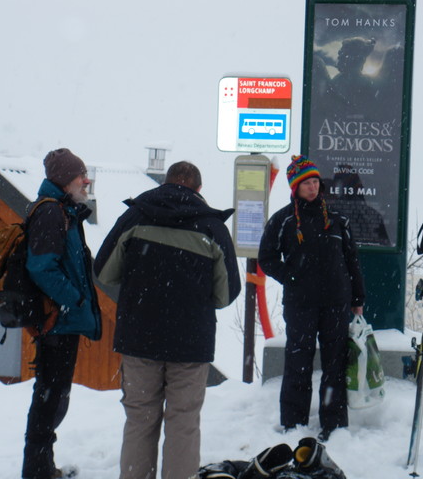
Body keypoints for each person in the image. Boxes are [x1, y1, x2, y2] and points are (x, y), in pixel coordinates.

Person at [94, 161, 241, 479]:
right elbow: (227, 293)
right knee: (183, 422)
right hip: (190, 343)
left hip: (138, 337)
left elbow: (104, 270)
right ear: (199, 190)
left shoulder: (135, 216)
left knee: (139, 419)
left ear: (165, 182)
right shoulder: (212, 227)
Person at [258, 155, 366, 442]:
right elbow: (266, 258)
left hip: (336, 302)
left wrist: (358, 296)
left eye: (316, 181)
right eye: (306, 183)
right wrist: (290, 277)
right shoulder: (282, 220)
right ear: (295, 186)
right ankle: (293, 423)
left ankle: (334, 424)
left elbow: (352, 261)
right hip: (300, 304)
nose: (312, 187)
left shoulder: (338, 220)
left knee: (334, 364)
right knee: (298, 362)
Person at [22, 148, 102, 479]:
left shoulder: (61, 211)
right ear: (65, 180)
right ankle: (38, 471)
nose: (85, 181)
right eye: (79, 177)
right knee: (49, 399)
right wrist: (75, 300)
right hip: (57, 323)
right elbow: (41, 268)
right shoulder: (52, 214)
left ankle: (40, 467)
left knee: (52, 398)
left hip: (61, 321)